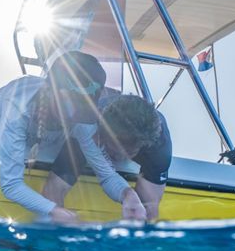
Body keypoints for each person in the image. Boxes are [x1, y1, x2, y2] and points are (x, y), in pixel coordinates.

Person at [0, 51, 148, 223]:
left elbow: (107, 175)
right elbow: (11, 185)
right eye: (68, 106)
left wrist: (129, 195)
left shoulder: (82, 121)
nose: (73, 116)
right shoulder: (18, 104)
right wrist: (55, 211)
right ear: (50, 90)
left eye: (81, 110)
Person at [41, 94, 172, 222]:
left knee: (147, 208)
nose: (116, 158)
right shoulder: (88, 122)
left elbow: (150, 212)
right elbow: (51, 193)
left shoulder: (158, 146)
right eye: (112, 150)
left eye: (126, 153)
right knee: (53, 190)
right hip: (99, 124)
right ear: (100, 135)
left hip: (146, 140)